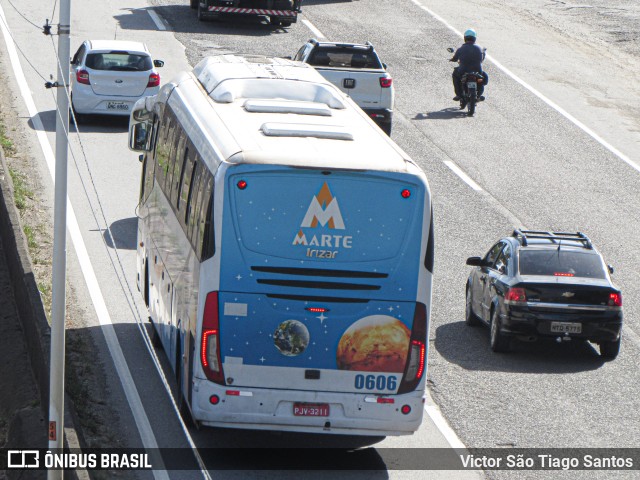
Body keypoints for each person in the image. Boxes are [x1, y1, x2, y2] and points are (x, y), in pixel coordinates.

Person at [449, 29, 488, 102]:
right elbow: (482, 58)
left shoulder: (461, 49)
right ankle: (479, 95)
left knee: (455, 75)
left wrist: (452, 59)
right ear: (474, 38)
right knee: (483, 78)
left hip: (463, 70)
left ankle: (458, 94)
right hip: (477, 71)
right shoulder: (479, 48)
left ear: (465, 38)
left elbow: (455, 58)